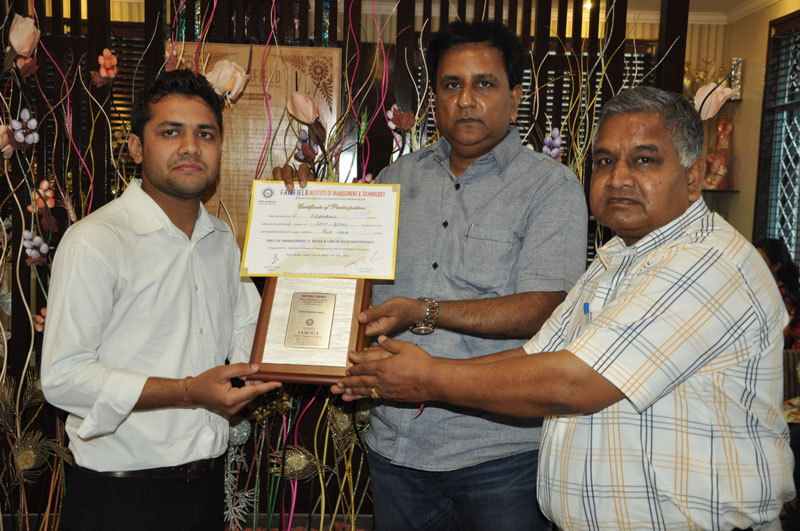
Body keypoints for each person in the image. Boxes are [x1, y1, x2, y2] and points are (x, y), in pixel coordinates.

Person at [335, 86, 795, 530]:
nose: (618, 178)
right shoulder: (617, 258)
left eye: (644, 160)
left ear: (693, 177)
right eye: (605, 161)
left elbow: (574, 382)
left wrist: (428, 378)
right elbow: (537, 356)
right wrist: (404, 370)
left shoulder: (706, 262)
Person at [278, 19, 587, 531]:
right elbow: (347, 289)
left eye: (484, 83)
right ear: (435, 101)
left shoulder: (551, 187)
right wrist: (299, 212)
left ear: (514, 100)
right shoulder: (395, 181)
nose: (466, 99)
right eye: (451, 84)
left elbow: (545, 308)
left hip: (499, 456)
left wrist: (424, 311)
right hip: (395, 447)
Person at [41, 70, 281, 530]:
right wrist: (187, 391)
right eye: (171, 132)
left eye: (205, 134)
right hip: (120, 498)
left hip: (206, 491)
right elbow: (63, 378)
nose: (190, 147)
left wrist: (301, 227)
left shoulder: (221, 240)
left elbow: (251, 334)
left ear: (219, 147)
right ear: (136, 147)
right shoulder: (96, 241)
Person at [755, 237, 800, 349]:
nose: (755, 264)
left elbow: (781, 336)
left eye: (761, 260)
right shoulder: (755, 286)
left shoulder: (783, 295)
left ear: (776, 266)